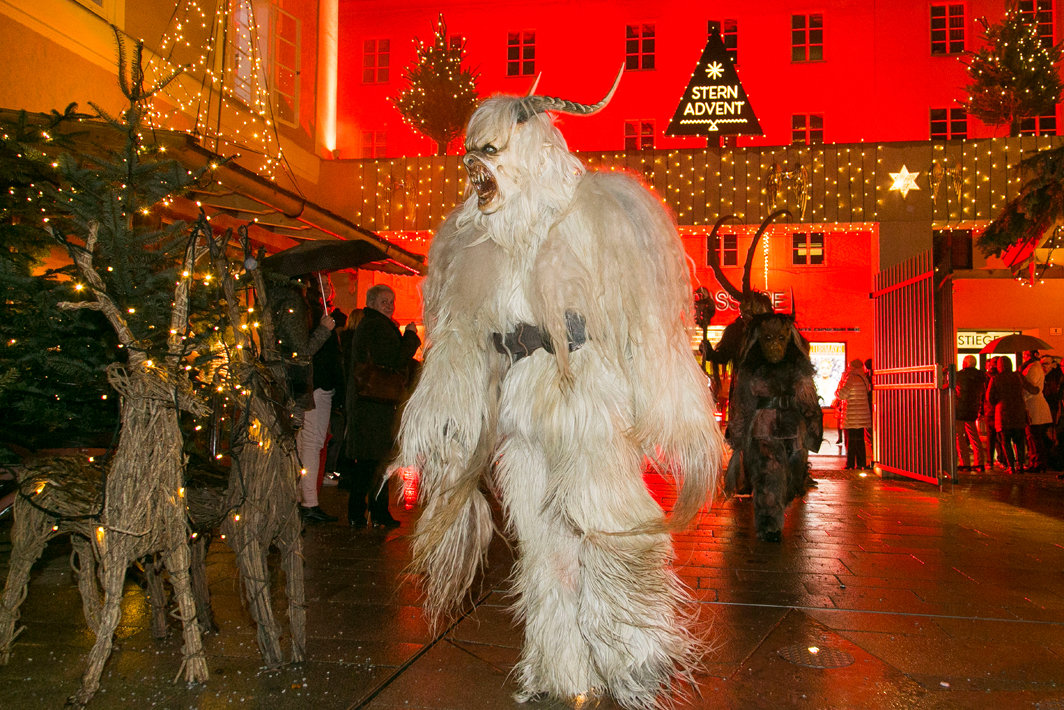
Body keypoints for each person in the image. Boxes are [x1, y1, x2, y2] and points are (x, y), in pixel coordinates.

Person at [342, 284, 420, 528]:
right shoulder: (376, 326)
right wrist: (410, 337)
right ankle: (365, 512)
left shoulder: (374, 324)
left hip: (373, 404)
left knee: (374, 461)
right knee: (372, 462)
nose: (389, 304)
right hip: (374, 405)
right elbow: (394, 359)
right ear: (372, 302)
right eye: (384, 300)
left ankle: (372, 512)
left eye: (391, 300)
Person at [295, 278, 340, 523]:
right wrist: (324, 329)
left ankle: (306, 499)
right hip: (315, 385)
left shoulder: (319, 311)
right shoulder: (308, 312)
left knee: (309, 444)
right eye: (324, 283)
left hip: (318, 385)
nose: (328, 287)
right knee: (311, 444)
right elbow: (306, 349)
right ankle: (309, 502)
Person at [987, 357, 1028, 474]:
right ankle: (1020, 463)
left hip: (1003, 413)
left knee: (1005, 441)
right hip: (1018, 411)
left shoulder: (995, 379)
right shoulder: (1018, 376)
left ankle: (1011, 466)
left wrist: (998, 403)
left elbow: (989, 397)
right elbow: (1030, 388)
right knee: (1019, 440)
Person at [835, 358, 872, 470]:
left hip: (852, 415)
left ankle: (850, 464)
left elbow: (841, 395)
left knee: (851, 441)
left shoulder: (850, 378)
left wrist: (838, 389)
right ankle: (861, 463)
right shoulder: (864, 378)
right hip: (862, 415)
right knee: (860, 440)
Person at [955, 355, 988, 471]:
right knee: (974, 436)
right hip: (972, 409)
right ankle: (979, 462)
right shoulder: (980, 376)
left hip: (959, 409)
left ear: (965, 363)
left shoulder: (959, 375)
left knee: (959, 437)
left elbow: (954, 390)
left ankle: (965, 463)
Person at [1021, 350, 1052, 473]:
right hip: (1035, 406)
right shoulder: (1034, 367)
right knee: (1034, 437)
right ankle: (1037, 462)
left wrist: (1022, 395)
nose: (1024, 357)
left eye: (1026, 355)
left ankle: (1037, 462)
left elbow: (1031, 388)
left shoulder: (1033, 368)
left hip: (1034, 406)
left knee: (1034, 437)